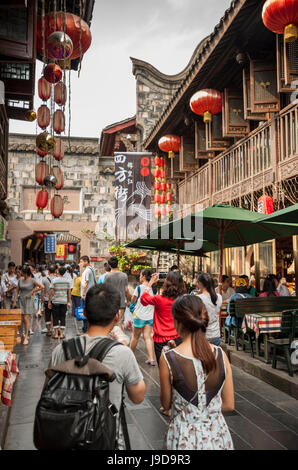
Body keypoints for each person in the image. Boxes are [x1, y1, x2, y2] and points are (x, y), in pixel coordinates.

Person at [49, 283, 146, 449]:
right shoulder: (123, 353)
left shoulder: (60, 350)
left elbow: (50, 392)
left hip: (67, 435)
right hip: (108, 439)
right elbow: (138, 397)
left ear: (85, 313)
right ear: (117, 315)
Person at [159, 295, 234, 450]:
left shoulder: (168, 358)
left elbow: (165, 404)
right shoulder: (221, 355)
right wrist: (207, 414)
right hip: (217, 435)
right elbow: (229, 405)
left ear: (178, 323)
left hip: (183, 437)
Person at [140, 272, 187, 366]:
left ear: (167, 284)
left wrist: (150, 283)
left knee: (163, 369)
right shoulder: (183, 300)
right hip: (178, 337)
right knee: (178, 369)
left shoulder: (158, 299)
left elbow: (143, 299)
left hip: (160, 340)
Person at [13, 265, 44, 345]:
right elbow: (17, 291)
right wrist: (15, 301)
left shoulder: (32, 280)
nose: (20, 273)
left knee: (26, 318)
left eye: (22, 272)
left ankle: (26, 336)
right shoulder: (20, 280)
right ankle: (21, 333)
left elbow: (42, 286)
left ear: (25, 273)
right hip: (21, 300)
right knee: (20, 319)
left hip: (29, 300)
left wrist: (34, 291)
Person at [130, 269, 155, 366]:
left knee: (135, 337)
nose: (139, 277)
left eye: (140, 275)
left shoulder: (139, 287)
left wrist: (132, 302)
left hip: (139, 315)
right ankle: (151, 359)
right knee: (148, 337)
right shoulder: (153, 288)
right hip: (149, 316)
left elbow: (133, 299)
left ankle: (130, 356)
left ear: (144, 276)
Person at [196, 273, 222, 346]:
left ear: (200, 283)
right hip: (216, 335)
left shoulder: (199, 298)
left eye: (197, 282)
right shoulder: (219, 297)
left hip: (203, 335)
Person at [104, 257, 131, 326]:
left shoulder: (107, 276)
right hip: (121, 304)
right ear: (117, 264)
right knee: (119, 324)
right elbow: (126, 290)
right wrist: (128, 300)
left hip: (110, 304)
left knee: (110, 324)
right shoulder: (124, 275)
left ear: (109, 265)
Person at [48, 267, 71, 339]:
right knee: (62, 317)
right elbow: (69, 292)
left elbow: (51, 292)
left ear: (58, 272)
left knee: (55, 317)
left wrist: (49, 301)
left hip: (55, 301)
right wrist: (69, 301)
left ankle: (55, 334)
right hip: (64, 301)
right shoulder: (67, 281)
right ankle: (61, 334)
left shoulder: (54, 280)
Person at [80, 256, 97, 333]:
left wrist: (83, 294)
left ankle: (85, 329)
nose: (81, 263)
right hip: (91, 294)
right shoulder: (92, 269)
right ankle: (89, 329)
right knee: (89, 312)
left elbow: (86, 283)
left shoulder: (87, 271)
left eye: (82, 262)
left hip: (87, 295)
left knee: (85, 312)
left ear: (86, 261)